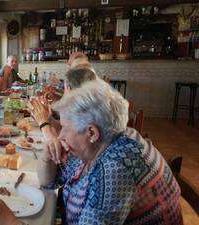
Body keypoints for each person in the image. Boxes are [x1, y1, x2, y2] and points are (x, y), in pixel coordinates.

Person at [38, 79, 182, 224]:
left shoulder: (113, 170)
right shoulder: (104, 140)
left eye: (64, 127)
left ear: (92, 132)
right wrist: (47, 156)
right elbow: (48, 182)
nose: (60, 135)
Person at [29, 66, 97, 140]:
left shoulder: (84, 114)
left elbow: (61, 147)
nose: (62, 93)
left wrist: (43, 124)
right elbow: (65, 129)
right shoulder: (91, 105)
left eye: (64, 89)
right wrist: (49, 119)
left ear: (69, 89)